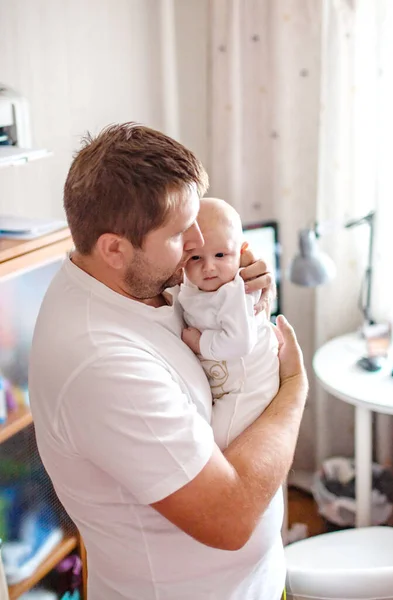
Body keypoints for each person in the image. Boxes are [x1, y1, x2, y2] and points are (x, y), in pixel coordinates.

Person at [29, 123, 308, 600]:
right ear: (115, 248)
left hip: (254, 583)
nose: (196, 242)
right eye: (181, 234)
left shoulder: (129, 279)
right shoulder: (100, 363)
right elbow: (229, 516)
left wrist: (242, 298)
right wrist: (294, 391)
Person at [178, 197, 279, 450]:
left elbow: (240, 342)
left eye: (221, 255)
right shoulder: (196, 285)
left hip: (249, 386)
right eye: (195, 258)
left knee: (216, 444)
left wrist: (199, 342)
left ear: (242, 252)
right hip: (230, 385)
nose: (209, 267)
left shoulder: (235, 291)